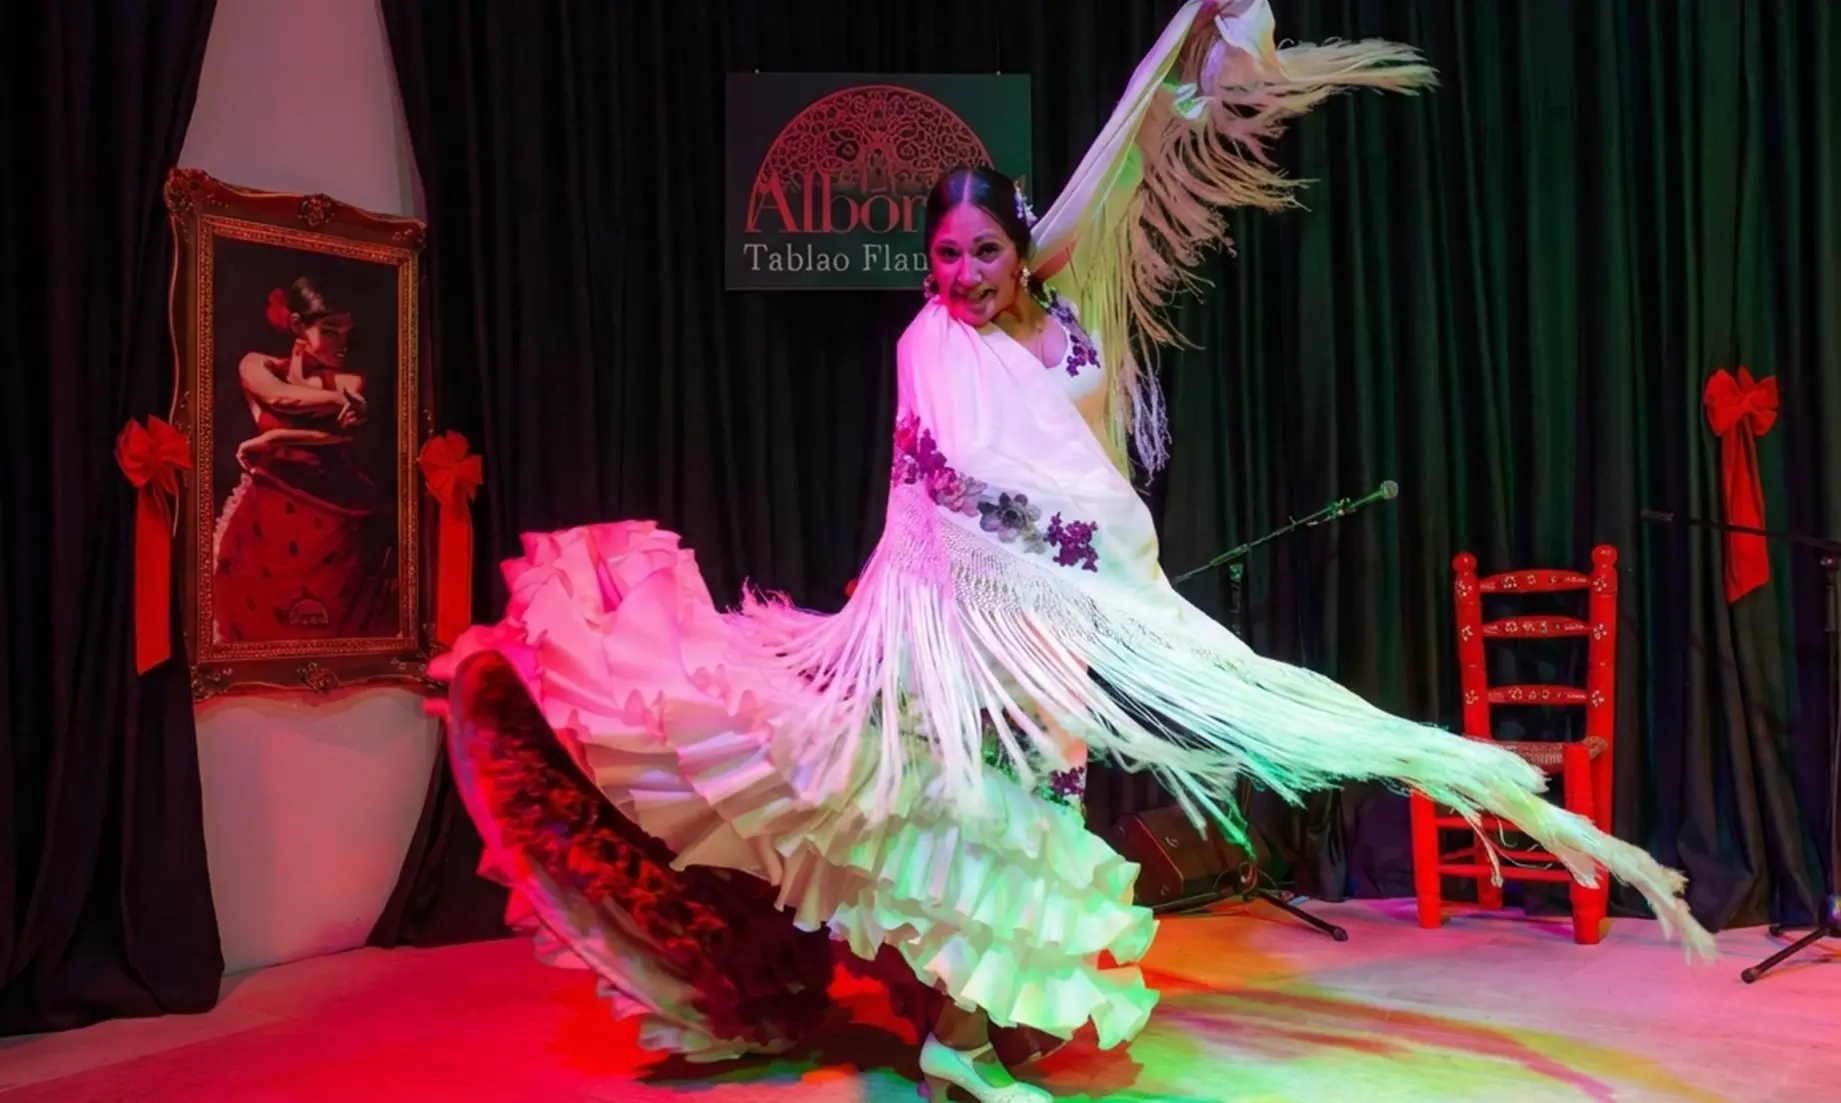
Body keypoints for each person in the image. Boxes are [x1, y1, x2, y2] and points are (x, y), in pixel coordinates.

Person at [429, 3, 1717, 1100]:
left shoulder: (1067, 329)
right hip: (952, 622)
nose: (962, 274)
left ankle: (977, 1025)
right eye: (944, 255)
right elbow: (964, 483)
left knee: (1022, 821)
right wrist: (1073, 564)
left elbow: (1089, 390)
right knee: (953, 822)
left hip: (1052, 624)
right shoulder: (929, 343)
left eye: (983, 251)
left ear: (1020, 245)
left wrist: (1187, 55)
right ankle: (955, 1036)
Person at [214, 276, 395, 643]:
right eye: (330, 331)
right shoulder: (258, 366)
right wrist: (340, 402)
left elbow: (340, 438)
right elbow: (282, 398)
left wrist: (274, 438)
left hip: (335, 518)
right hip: (269, 514)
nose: (341, 343)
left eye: (346, 333)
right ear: (297, 325)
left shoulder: (349, 382)